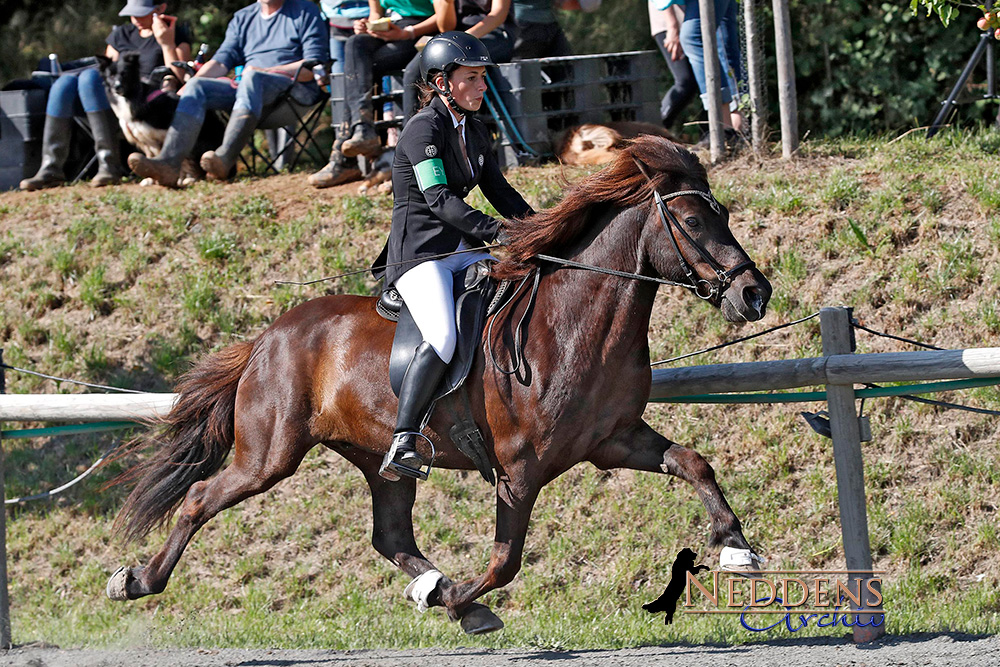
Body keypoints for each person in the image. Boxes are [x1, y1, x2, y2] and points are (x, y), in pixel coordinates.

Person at [371, 32, 534, 481]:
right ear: (443, 83)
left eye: (484, 77)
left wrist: (542, 230)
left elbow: (501, 192)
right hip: (420, 257)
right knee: (442, 336)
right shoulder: (423, 128)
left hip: (460, 251)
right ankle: (404, 438)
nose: (483, 86)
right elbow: (440, 199)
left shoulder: (476, 130)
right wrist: (496, 231)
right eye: (472, 78)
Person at [129, 0, 329, 187]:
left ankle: (224, 158)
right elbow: (221, 61)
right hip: (248, 93)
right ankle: (169, 164)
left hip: (293, 94)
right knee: (197, 86)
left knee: (251, 78)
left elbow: (312, 66)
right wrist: (187, 87)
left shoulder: (305, 10)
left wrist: (265, 72)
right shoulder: (244, 17)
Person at [20, 0, 192, 191]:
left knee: (88, 78)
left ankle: (109, 165)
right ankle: (50, 168)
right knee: (64, 83)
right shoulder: (121, 34)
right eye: (132, 13)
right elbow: (108, 71)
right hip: (117, 100)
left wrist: (166, 43)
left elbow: (180, 76)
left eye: (142, 13)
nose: (135, 19)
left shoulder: (175, 35)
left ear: (161, 9)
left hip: (149, 104)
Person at [401, 0, 517, 119]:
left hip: (494, 33)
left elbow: (499, 14)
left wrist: (464, 38)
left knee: (462, 66)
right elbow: (445, 27)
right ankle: (415, 128)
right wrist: (448, 3)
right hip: (457, 38)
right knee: (414, 71)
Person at [648, 0, 698, 131]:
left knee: (704, 83)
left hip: (694, 21)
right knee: (685, 82)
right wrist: (673, 27)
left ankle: (709, 135)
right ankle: (652, 130)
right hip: (671, 23)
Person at [510, 0, 600, 60]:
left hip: (523, 28)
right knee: (565, 76)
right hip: (548, 28)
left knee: (518, 76)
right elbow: (589, 5)